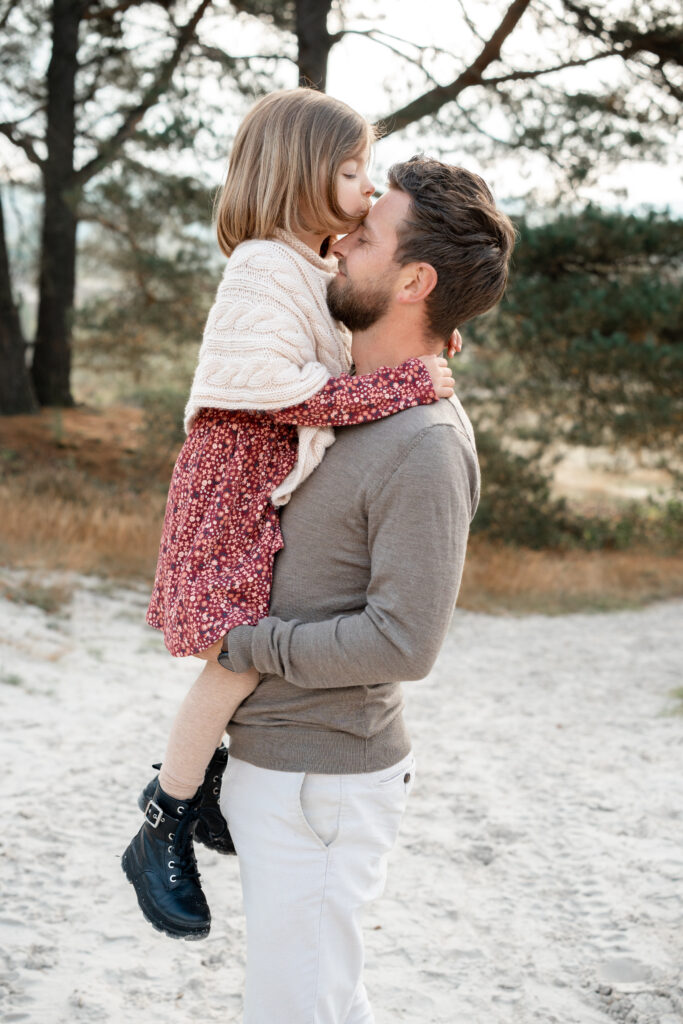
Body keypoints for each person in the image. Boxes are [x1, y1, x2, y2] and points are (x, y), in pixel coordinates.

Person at [121, 90, 457, 941]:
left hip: (254, 480)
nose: (363, 184)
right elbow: (277, 386)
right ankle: (166, 813)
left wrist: (426, 339)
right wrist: (403, 382)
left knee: (240, 648)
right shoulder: (263, 267)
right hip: (230, 484)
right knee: (232, 654)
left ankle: (193, 798)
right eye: (349, 171)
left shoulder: (306, 265)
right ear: (300, 175)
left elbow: (343, 340)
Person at [216, 155, 516, 1023]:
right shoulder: (340, 396)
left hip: (324, 778)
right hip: (282, 763)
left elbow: (403, 642)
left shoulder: (424, 441)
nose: (339, 243)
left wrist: (244, 643)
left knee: (299, 1008)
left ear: (414, 280)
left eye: (366, 234)